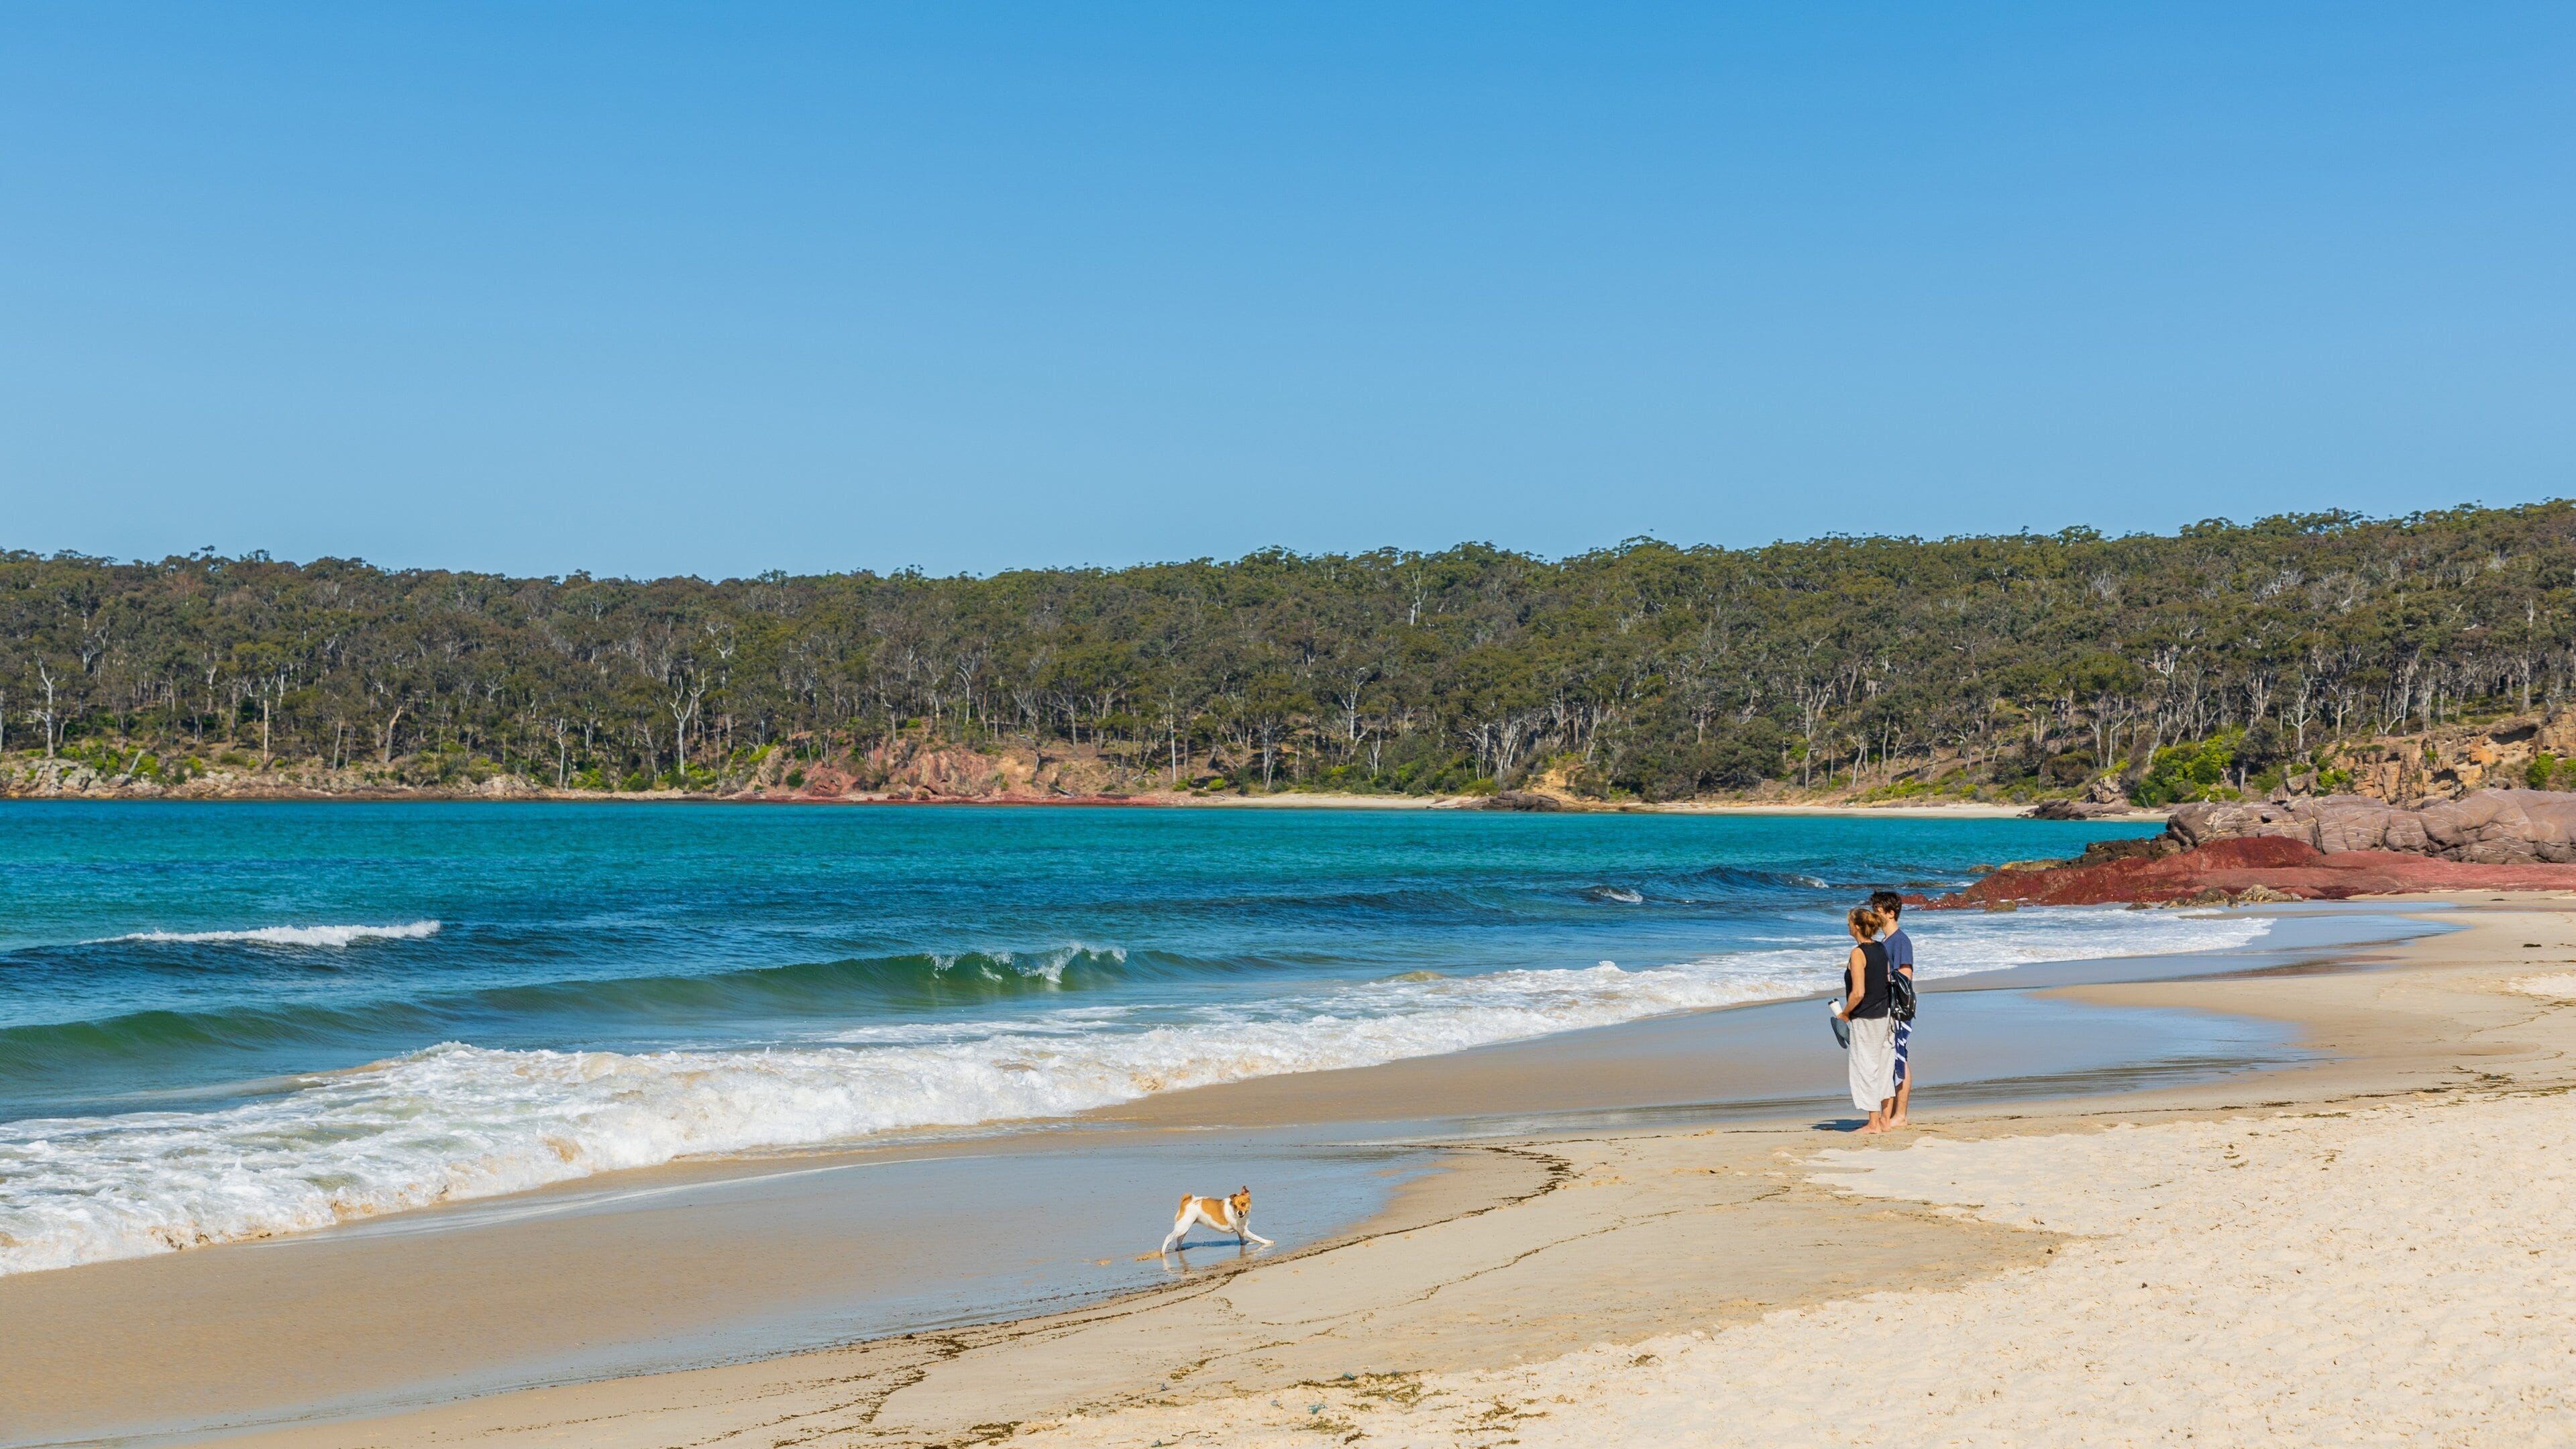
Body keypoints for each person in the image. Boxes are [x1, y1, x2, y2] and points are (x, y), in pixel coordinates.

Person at [1835, 904, 1896, 1134]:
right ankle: (1885, 1121)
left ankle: (1873, 1124)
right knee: (1884, 1065)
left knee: (1867, 1067)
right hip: (1886, 1015)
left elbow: (1858, 992)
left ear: (1858, 926)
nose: (1848, 927)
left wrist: (1845, 1013)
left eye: (1850, 923)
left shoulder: (1858, 953)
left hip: (1866, 1017)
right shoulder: (1881, 948)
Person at [1869, 889, 1916, 1128]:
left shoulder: (1900, 940)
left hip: (1899, 1008)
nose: (1874, 916)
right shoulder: (1885, 942)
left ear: (1890, 913)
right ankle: (1894, 1114)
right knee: (1892, 1059)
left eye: (1877, 911)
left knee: (1900, 1058)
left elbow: (1904, 976)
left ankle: (1901, 1115)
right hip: (1888, 1007)